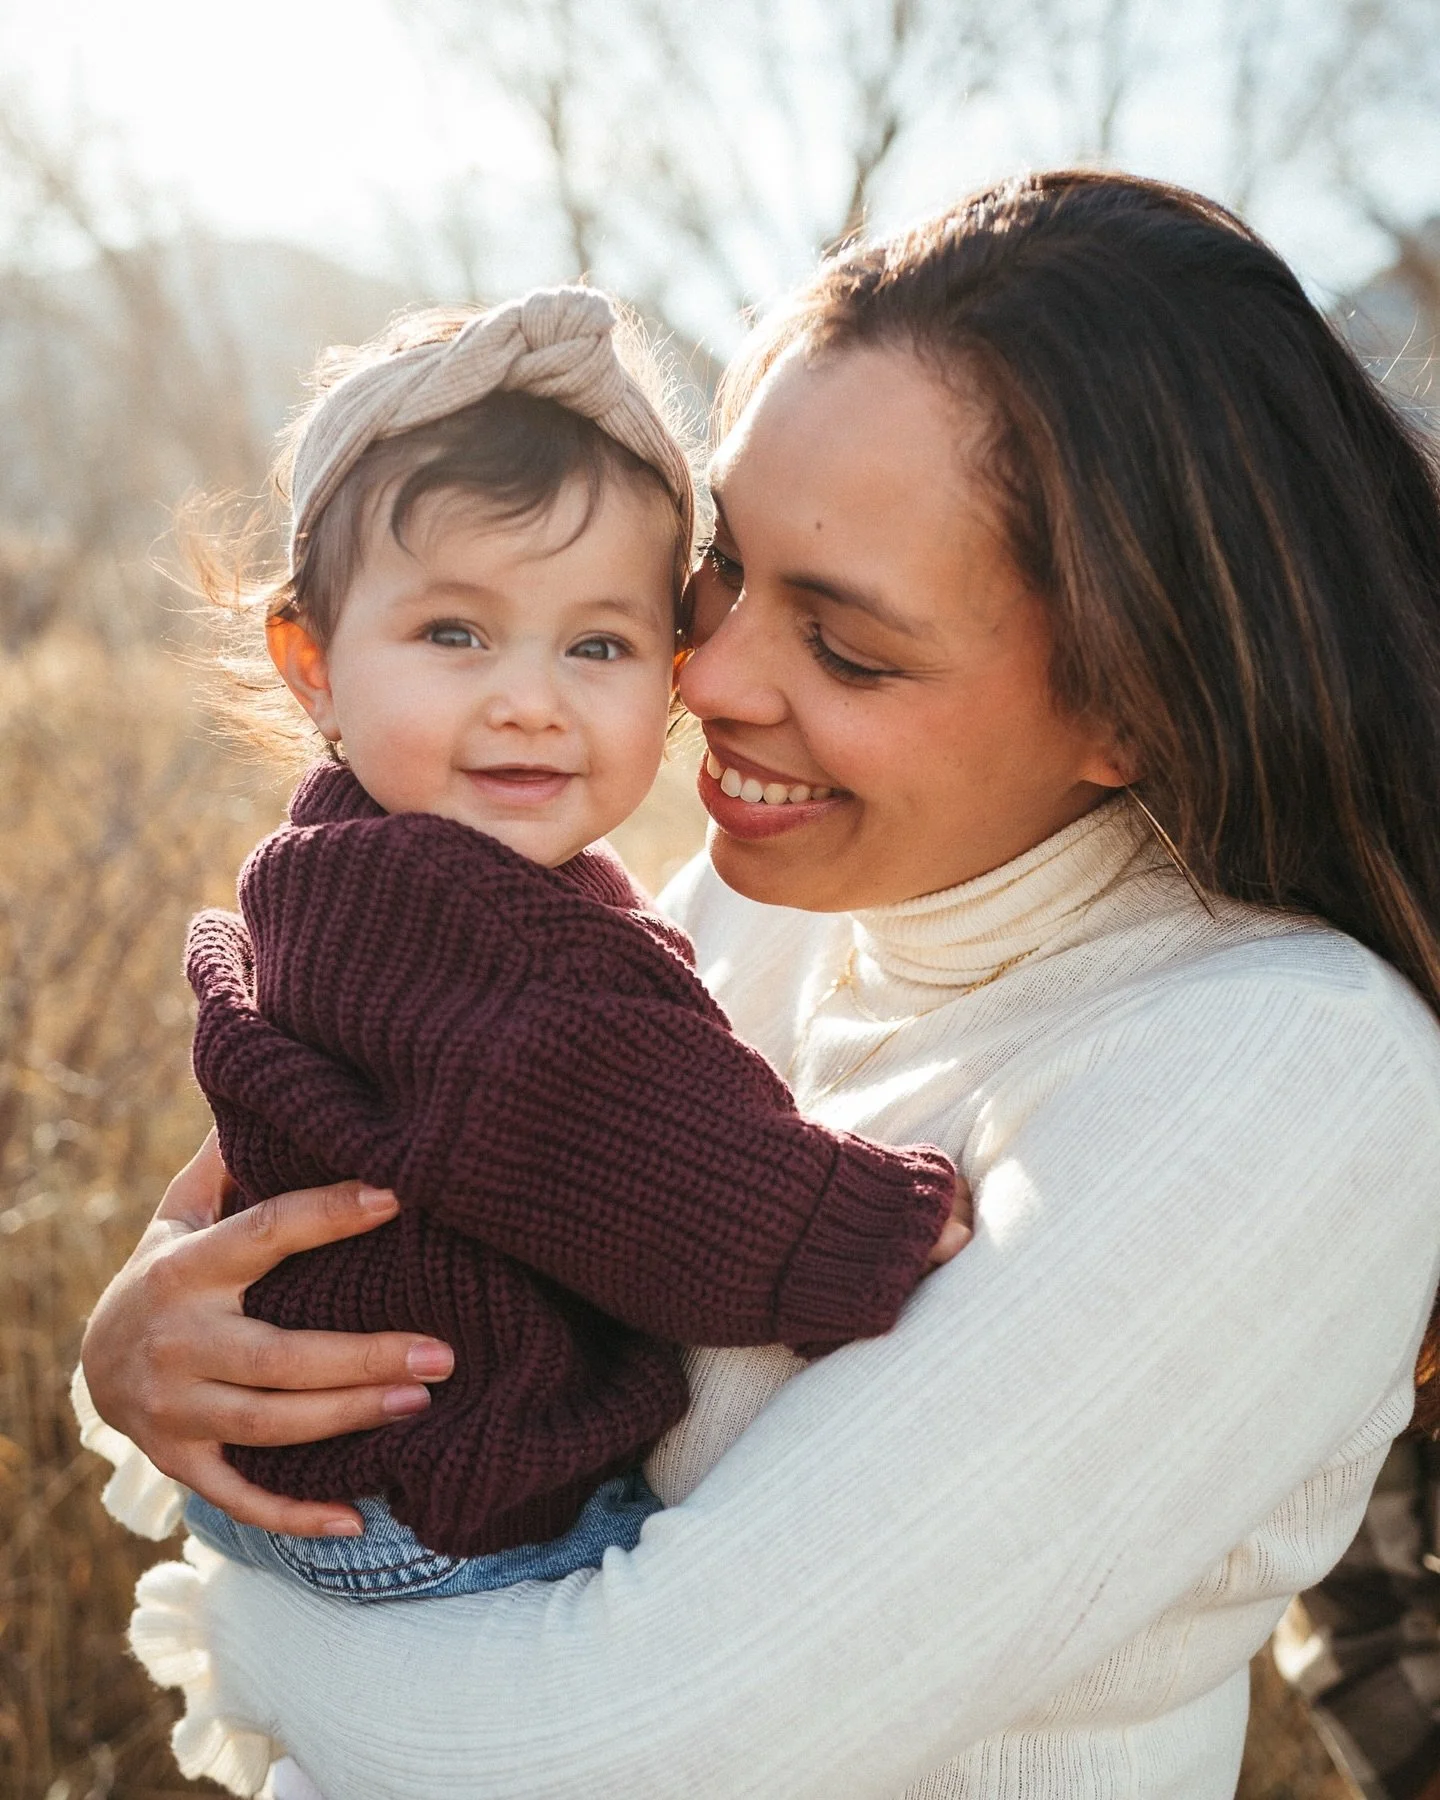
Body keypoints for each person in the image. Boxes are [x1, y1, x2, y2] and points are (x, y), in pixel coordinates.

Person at [77, 170, 1440, 1799]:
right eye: (719, 576)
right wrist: (136, 1350)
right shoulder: (759, 897)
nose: (700, 679)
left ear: (1136, 701)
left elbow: (607, 1754)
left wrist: (248, 1607)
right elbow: (337, 1180)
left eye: (848, 645)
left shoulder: (1282, 1074)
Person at [160, 286, 963, 1603]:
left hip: (358, 1480)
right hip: (438, 1510)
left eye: (597, 642)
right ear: (312, 661)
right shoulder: (447, 914)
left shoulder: (373, 859)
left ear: (672, 673)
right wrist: (864, 1225)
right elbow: (638, 1155)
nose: (528, 700)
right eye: (454, 633)